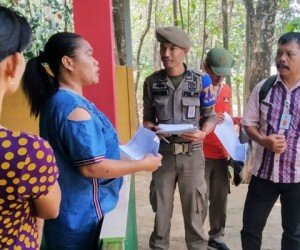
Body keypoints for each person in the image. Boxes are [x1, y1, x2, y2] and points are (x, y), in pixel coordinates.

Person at [22, 32, 162, 250]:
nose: (96, 61)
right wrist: (143, 164)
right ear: (68, 62)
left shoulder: (60, 101)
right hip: (81, 220)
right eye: (88, 55)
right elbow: (92, 168)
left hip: (70, 215)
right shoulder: (74, 109)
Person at [143, 26, 216, 250]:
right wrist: (152, 128)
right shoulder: (152, 82)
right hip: (163, 155)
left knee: (195, 215)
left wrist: (203, 133)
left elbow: (210, 117)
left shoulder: (202, 81)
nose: (166, 54)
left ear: (184, 51)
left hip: (192, 155)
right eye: (163, 48)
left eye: (172, 48)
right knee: (161, 217)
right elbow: (147, 120)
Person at [0, 6, 61, 250]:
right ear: (13, 64)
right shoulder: (26, 152)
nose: (96, 61)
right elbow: (49, 209)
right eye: (89, 54)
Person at [241, 32, 300, 250]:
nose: (282, 59)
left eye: (289, 54)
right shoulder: (263, 88)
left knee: (294, 234)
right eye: (279, 53)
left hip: (297, 177)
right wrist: (263, 140)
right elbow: (248, 123)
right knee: (250, 229)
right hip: (264, 174)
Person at [202, 48, 238, 250]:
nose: (219, 77)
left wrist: (233, 127)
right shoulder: (195, 88)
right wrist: (205, 119)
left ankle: (216, 237)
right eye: (215, 72)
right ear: (205, 67)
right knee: (199, 200)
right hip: (200, 153)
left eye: (222, 73)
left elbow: (228, 115)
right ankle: (197, 239)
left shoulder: (225, 90)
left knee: (219, 199)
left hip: (221, 153)